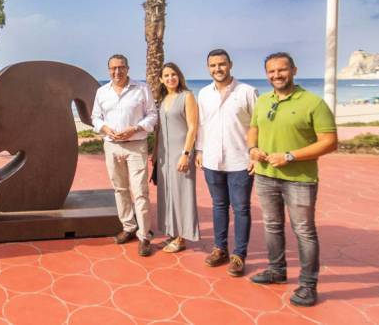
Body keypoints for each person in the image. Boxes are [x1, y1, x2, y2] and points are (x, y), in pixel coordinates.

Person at [247, 52, 337, 307]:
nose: (276, 75)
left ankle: (308, 284)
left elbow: (330, 142)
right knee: (272, 226)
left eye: (282, 70)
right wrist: (252, 150)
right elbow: (253, 129)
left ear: (294, 70)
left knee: (304, 231)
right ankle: (277, 271)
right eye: (271, 71)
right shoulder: (263, 101)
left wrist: (290, 156)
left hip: (300, 179)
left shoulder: (313, 103)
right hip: (266, 175)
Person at [196, 49, 258, 276]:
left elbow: (257, 125)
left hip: (240, 160)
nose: (217, 69)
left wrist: (254, 153)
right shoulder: (203, 94)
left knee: (241, 208)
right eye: (213, 65)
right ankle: (220, 249)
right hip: (212, 159)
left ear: (230, 64)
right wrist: (199, 150)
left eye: (221, 64)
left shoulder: (248, 92)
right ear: (208, 68)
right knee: (218, 206)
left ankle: (239, 255)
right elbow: (201, 125)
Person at [91, 54, 158, 256]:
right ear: (108, 70)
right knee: (120, 189)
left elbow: (152, 115)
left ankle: (144, 235)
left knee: (140, 192)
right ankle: (129, 227)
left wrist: (135, 128)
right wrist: (104, 128)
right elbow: (95, 117)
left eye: (121, 67)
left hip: (136, 145)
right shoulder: (102, 92)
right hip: (112, 146)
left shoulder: (142, 89)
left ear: (128, 68)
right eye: (113, 68)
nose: (117, 72)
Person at [153, 62, 199, 253]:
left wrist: (186, 155)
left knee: (182, 194)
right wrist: (155, 153)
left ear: (179, 76)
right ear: (161, 80)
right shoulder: (163, 99)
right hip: (164, 154)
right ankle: (172, 232)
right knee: (167, 192)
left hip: (181, 153)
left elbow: (193, 127)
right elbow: (159, 130)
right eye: (166, 75)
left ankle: (182, 237)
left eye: (174, 74)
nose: (170, 78)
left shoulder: (186, 96)